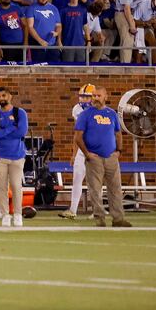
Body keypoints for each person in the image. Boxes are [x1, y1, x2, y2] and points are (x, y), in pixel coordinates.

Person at [75, 85, 131, 227]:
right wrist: (87, 154)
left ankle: (118, 219)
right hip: (94, 158)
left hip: (111, 157)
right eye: (93, 96)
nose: (95, 98)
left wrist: (119, 151)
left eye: (98, 96)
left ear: (106, 97)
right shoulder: (85, 114)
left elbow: (118, 134)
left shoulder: (111, 114)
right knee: (95, 190)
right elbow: (78, 137)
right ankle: (99, 220)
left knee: (116, 189)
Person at [0, 86, 28, 228]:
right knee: (1, 187)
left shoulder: (20, 113)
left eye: (4, 96)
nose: (1, 99)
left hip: (17, 155)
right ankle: (5, 215)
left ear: (10, 96)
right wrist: (12, 127)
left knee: (17, 186)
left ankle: (17, 214)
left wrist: (4, 130)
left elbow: (22, 132)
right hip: (0, 156)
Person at [59, 83, 96, 219]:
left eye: (87, 97)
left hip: (95, 149)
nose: (83, 100)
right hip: (82, 149)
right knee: (77, 179)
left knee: (94, 182)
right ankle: (73, 210)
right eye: (82, 97)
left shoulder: (100, 110)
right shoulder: (77, 109)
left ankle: (96, 211)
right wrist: (74, 154)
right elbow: (77, 134)